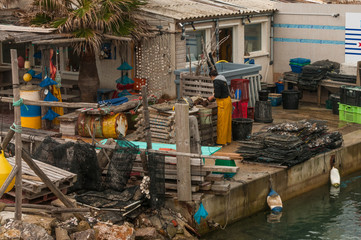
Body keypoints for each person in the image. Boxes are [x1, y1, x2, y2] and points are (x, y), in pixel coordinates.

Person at [208, 69, 232, 146]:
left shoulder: (216, 81)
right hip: (228, 101)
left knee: (221, 123)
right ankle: (227, 140)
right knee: (227, 122)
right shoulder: (223, 79)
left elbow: (217, 94)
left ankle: (221, 142)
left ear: (212, 76)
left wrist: (211, 97)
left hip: (223, 103)